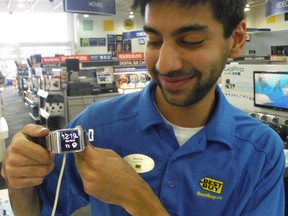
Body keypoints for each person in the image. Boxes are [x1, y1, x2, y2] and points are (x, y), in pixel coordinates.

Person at [1, 0, 285, 215]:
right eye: (154, 40)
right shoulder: (96, 126)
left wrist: (137, 199)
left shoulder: (260, 152)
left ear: (236, 39)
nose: (164, 64)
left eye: (190, 41)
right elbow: (37, 208)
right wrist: (20, 179)